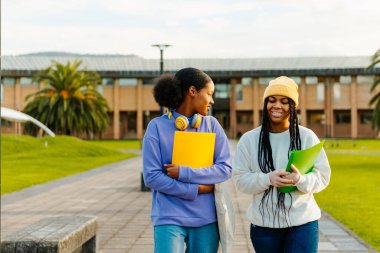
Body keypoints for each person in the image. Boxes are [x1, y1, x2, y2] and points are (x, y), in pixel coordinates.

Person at [233, 76, 331, 253]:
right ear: (265, 104)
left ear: (293, 107)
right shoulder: (249, 140)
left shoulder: (307, 137)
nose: (277, 106)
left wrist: (299, 180)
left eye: (285, 102)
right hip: (263, 225)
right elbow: (240, 180)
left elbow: (322, 177)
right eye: (271, 100)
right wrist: (268, 179)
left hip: (303, 223)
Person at [142, 67, 232, 253]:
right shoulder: (156, 127)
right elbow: (151, 177)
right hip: (168, 217)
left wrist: (184, 172)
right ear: (192, 91)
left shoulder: (212, 125)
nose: (212, 100)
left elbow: (225, 169)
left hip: (206, 219)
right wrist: (195, 189)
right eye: (209, 93)